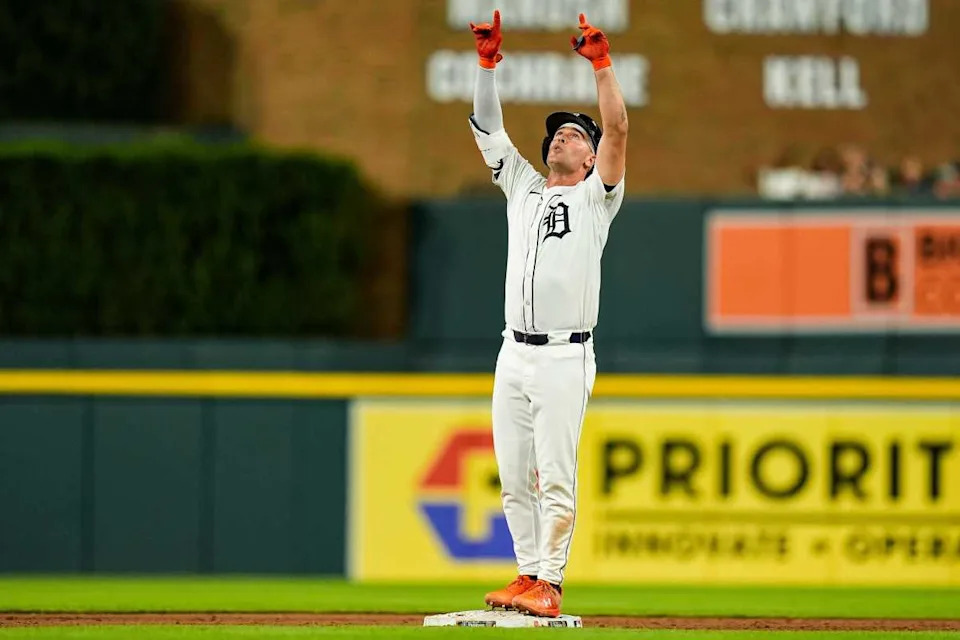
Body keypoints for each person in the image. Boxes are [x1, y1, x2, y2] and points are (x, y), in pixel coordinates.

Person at [467, 9, 628, 618]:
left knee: (554, 473)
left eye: (574, 136)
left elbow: (617, 126)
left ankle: (551, 585)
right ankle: (528, 572)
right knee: (513, 476)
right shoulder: (525, 188)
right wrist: (487, 65)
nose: (564, 136)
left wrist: (602, 62)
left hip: (565, 351)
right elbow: (487, 128)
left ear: (590, 160)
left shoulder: (596, 198)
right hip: (514, 350)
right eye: (558, 133)